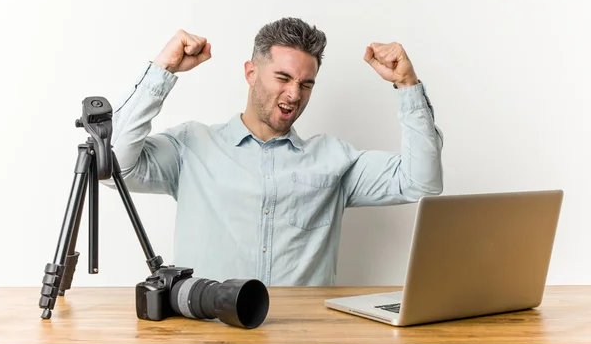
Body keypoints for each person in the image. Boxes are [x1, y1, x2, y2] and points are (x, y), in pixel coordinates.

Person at [107, 17, 443, 286]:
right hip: (211, 340)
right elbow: (113, 167)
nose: (294, 94)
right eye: (283, 77)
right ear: (251, 73)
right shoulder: (190, 147)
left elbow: (420, 181)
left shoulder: (335, 160)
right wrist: (161, 70)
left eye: (306, 84)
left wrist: (407, 85)